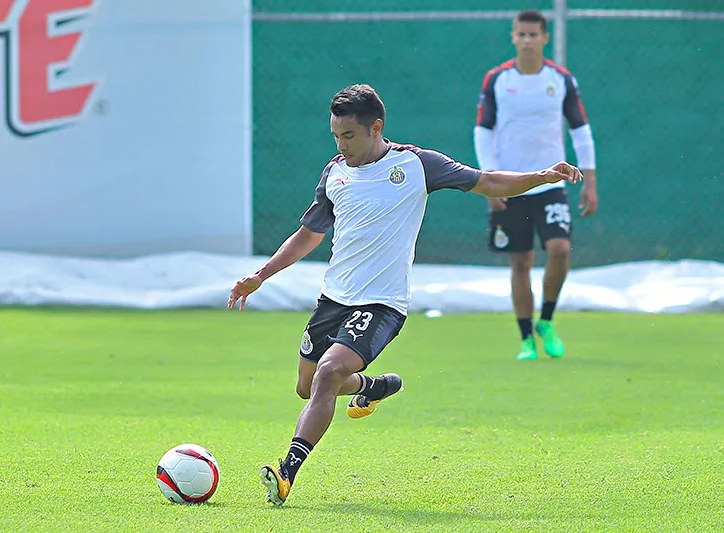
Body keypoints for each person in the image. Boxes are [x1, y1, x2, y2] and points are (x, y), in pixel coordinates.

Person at [228, 84, 582, 506]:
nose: (342, 146)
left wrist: (541, 176)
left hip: (381, 305)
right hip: (332, 301)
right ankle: (371, 386)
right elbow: (309, 235)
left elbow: (487, 181)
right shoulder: (335, 172)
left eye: (349, 136)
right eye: (336, 137)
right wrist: (261, 275)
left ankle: (285, 474)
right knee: (307, 388)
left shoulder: (417, 164)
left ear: (376, 128)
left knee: (326, 375)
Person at [474, 9, 599, 361]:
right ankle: (526, 338)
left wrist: (589, 181)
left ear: (545, 38)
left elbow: (581, 130)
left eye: (534, 35)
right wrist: (490, 180)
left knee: (559, 249)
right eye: (521, 34)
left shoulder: (560, 79)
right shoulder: (497, 79)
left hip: (552, 183)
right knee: (521, 261)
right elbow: (483, 131)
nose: (527, 40)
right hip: (511, 185)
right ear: (513, 37)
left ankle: (547, 319)